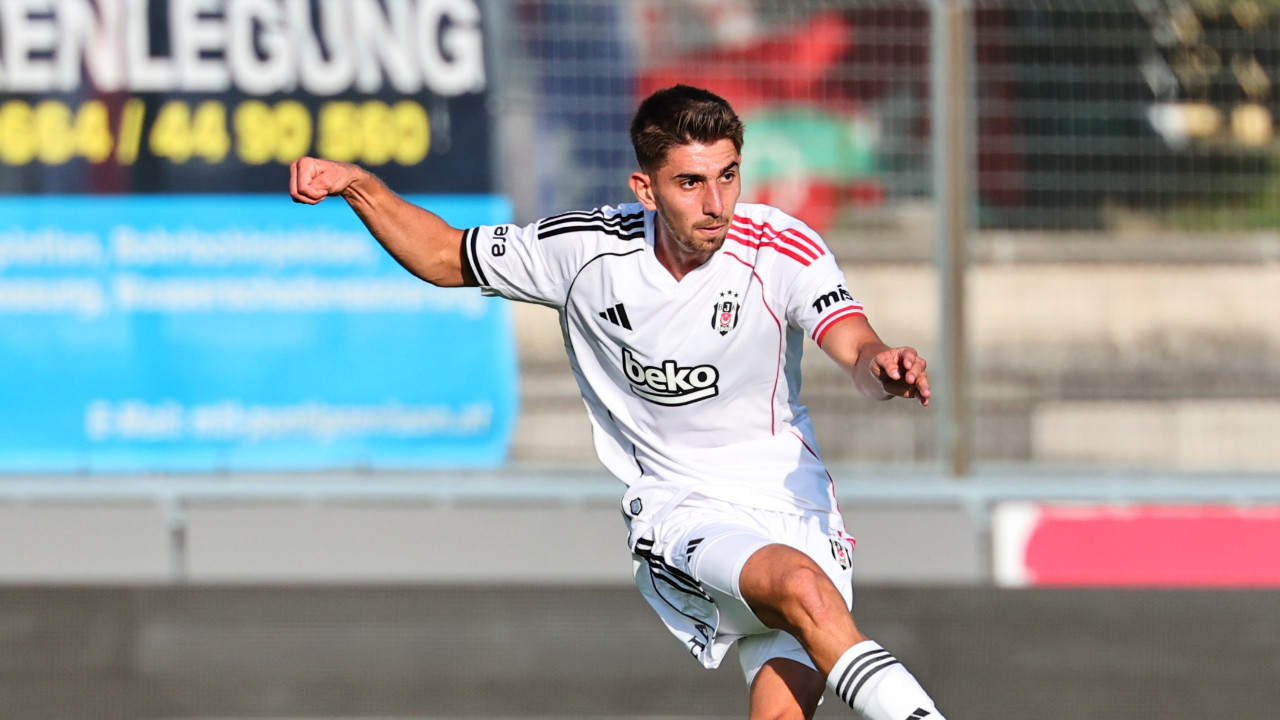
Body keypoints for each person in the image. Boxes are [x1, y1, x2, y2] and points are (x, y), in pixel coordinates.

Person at [290, 84, 946, 720]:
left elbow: (856, 347)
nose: (716, 203)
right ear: (645, 189)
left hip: (797, 508)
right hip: (685, 507)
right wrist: (358, 185)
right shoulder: (585, 251)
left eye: (728, 176)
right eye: (690, 183)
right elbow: (442, 255)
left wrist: (882, 367)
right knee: (801, 588)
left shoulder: (781, 247)